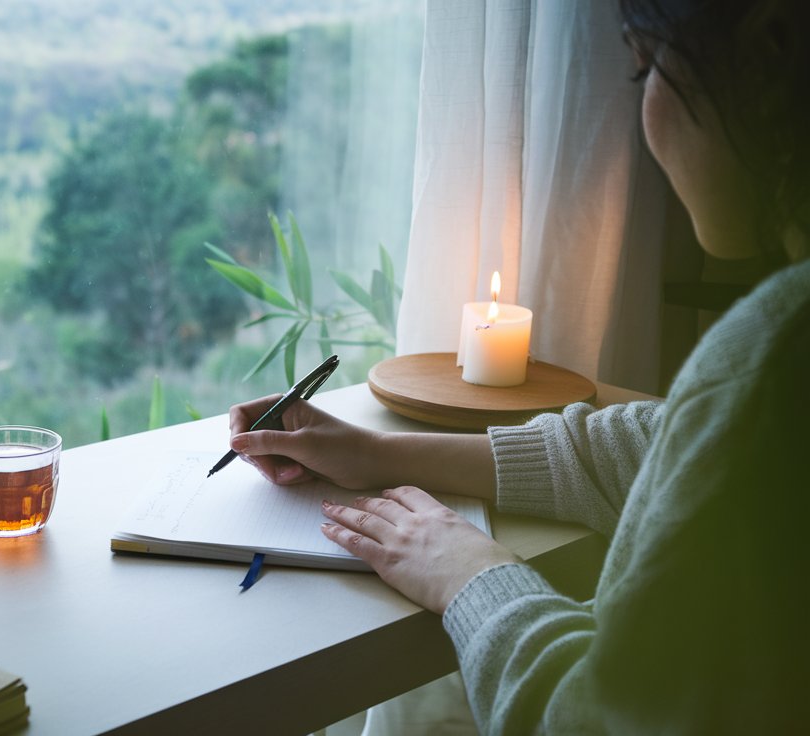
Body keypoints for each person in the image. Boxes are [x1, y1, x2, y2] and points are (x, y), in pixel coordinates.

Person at [228, 0, 809, 732]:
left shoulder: (776, 356)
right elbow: (666, 443)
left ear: (770, 49)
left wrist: (467, 572)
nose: (645, 113)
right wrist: (378, 452)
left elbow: (599, 720)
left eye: (647, 68)